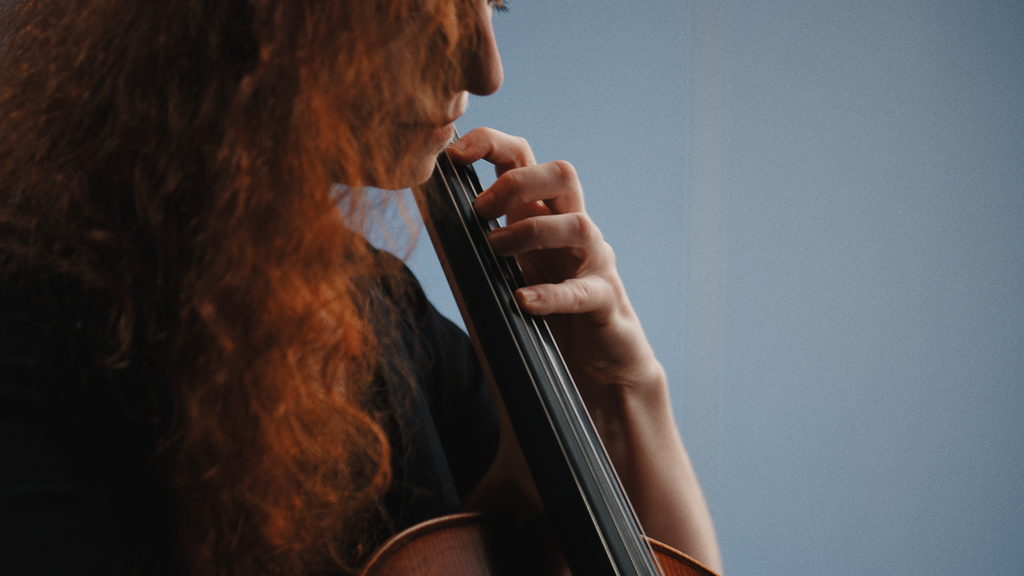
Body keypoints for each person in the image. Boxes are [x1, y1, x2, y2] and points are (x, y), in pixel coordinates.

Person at [0, 0, 722, 574]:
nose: (485, 69)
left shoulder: (382, 306)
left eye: (493, 4)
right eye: (424, 12)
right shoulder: (37, 330)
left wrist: (628, 387)